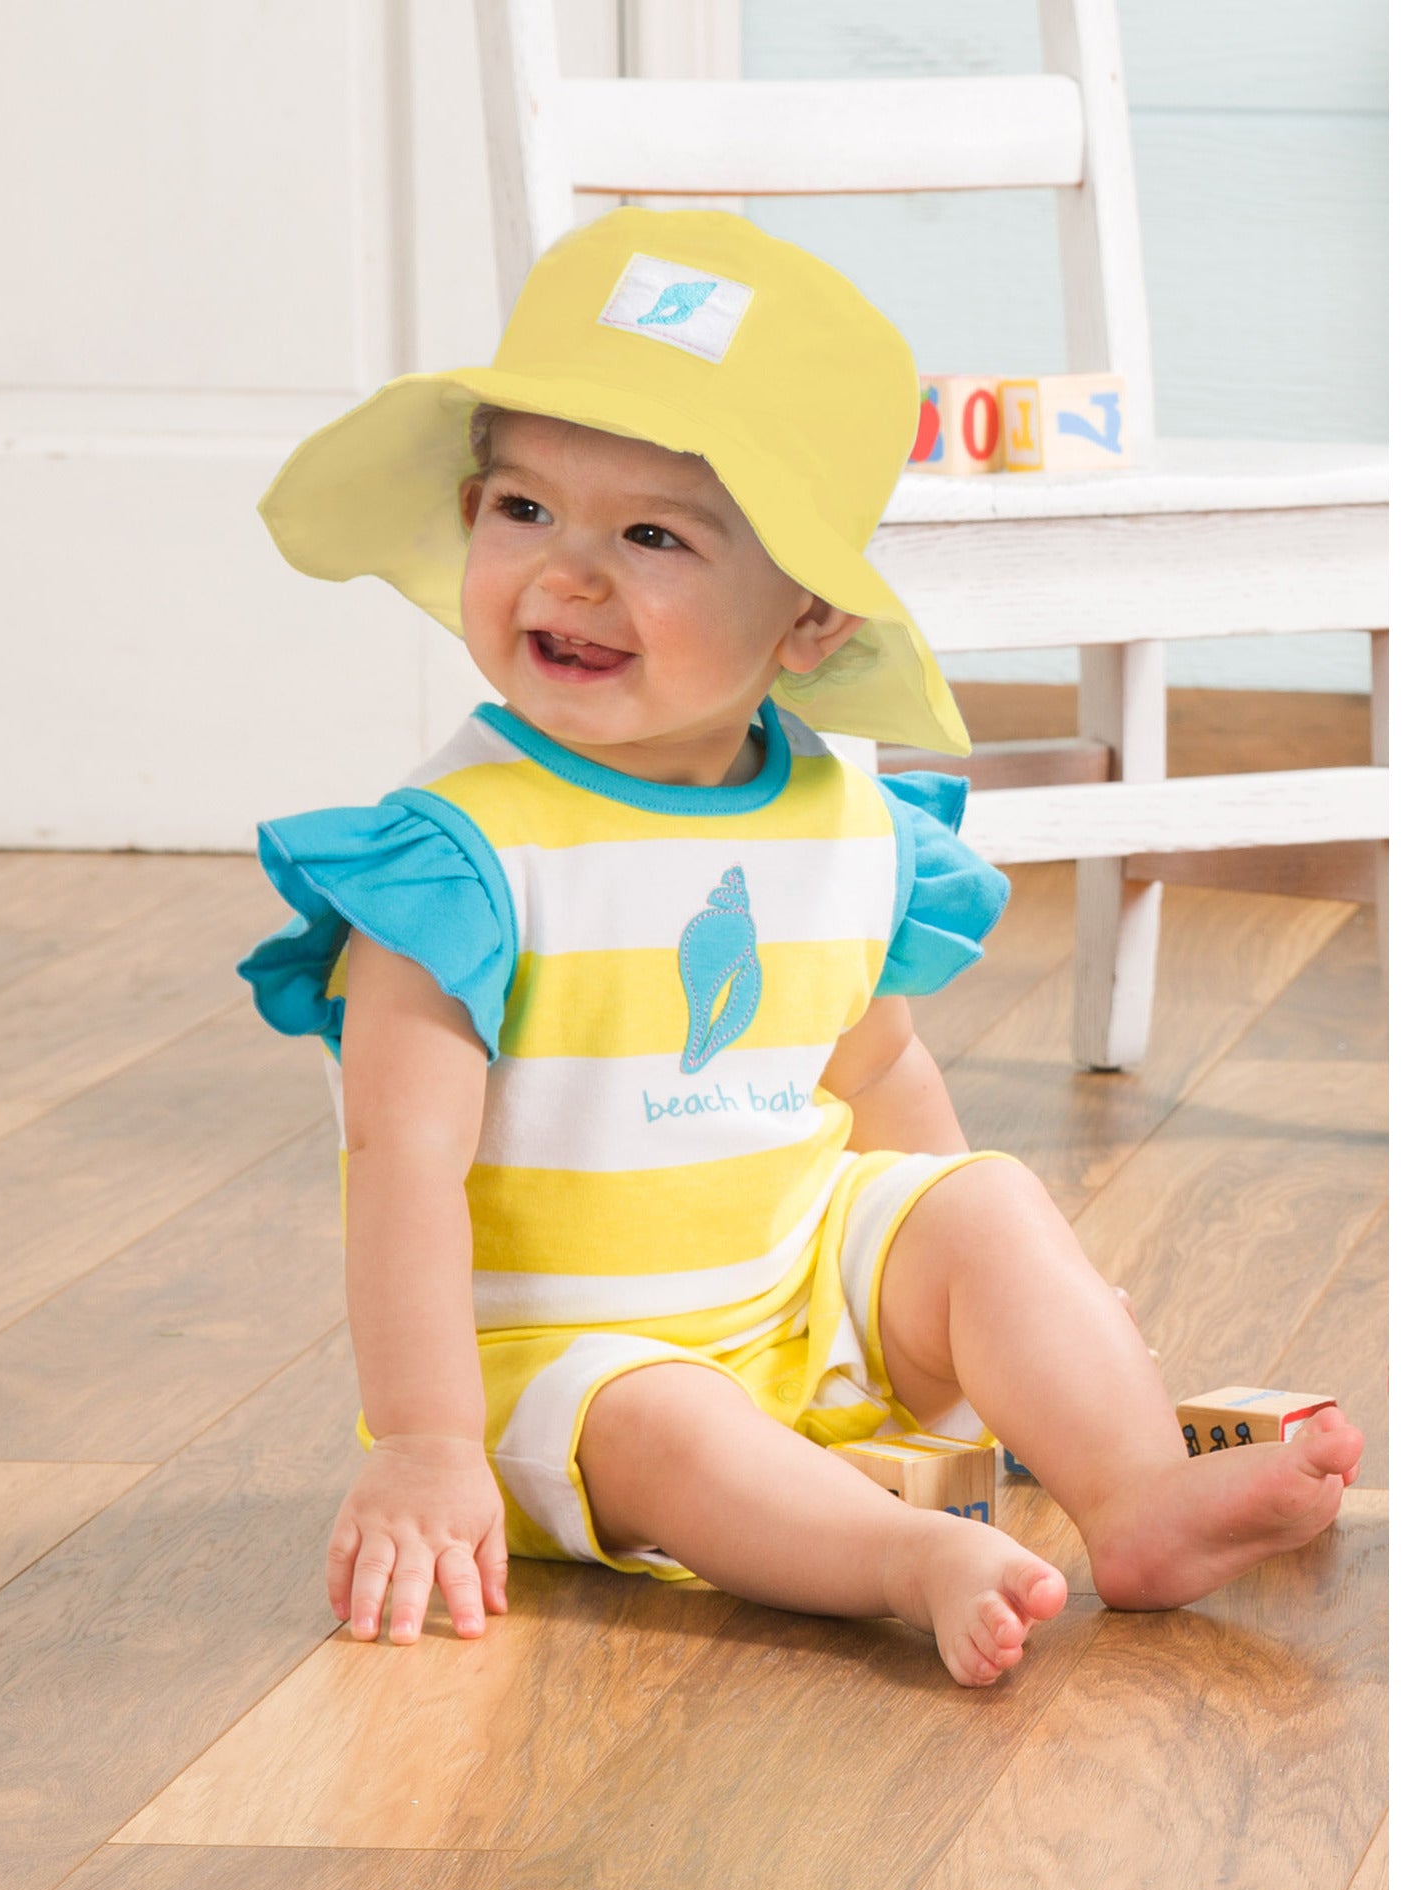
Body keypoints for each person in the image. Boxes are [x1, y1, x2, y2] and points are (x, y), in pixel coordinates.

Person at [238, 208, 1362, 1688]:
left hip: (794, 1296)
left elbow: (878, 1079)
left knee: (990, 1199)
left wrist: (1003, 1306)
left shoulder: (841, 820)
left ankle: (1138, 1495)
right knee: (669, 1421)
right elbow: (399, 1164)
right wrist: (428, 1445)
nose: (567, 575)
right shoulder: (459, 861)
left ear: (812, 619)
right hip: (566, 1372)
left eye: (651, 536)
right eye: (524, 510)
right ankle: (903, 1559)